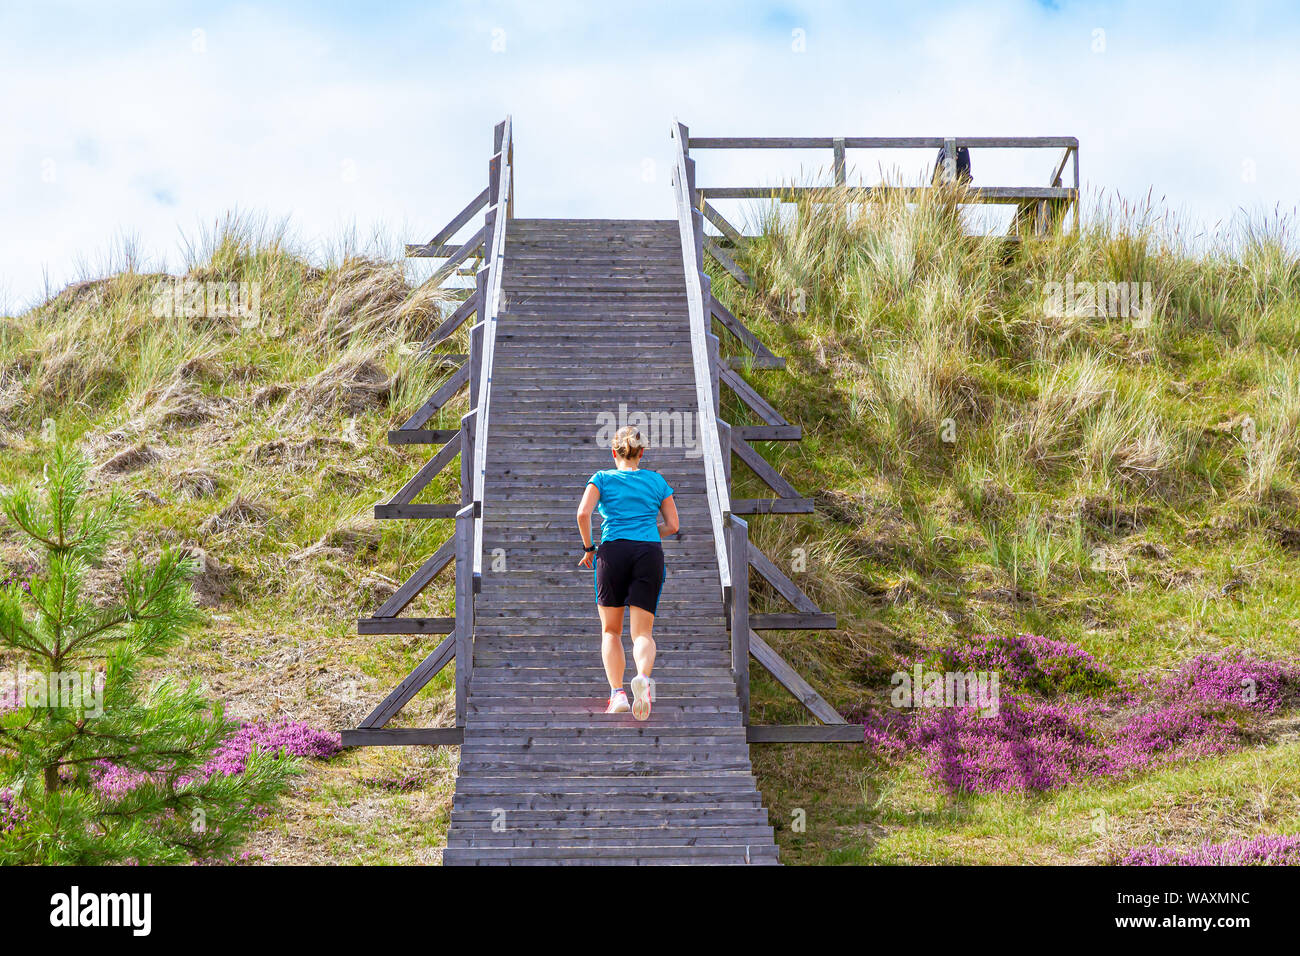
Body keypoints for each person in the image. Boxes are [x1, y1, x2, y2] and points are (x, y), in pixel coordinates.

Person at [576, 426, 679, 720]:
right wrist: (647, 532)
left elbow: (583, 514)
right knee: (642, 633)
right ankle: (643, 680)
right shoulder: (657, 481)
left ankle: (618, 694)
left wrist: (588, 548)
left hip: (613, 551)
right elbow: (673, 526)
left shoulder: (602, 478)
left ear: (613, 452)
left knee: (611, 630)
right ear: (641, 452)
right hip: (648, 553)